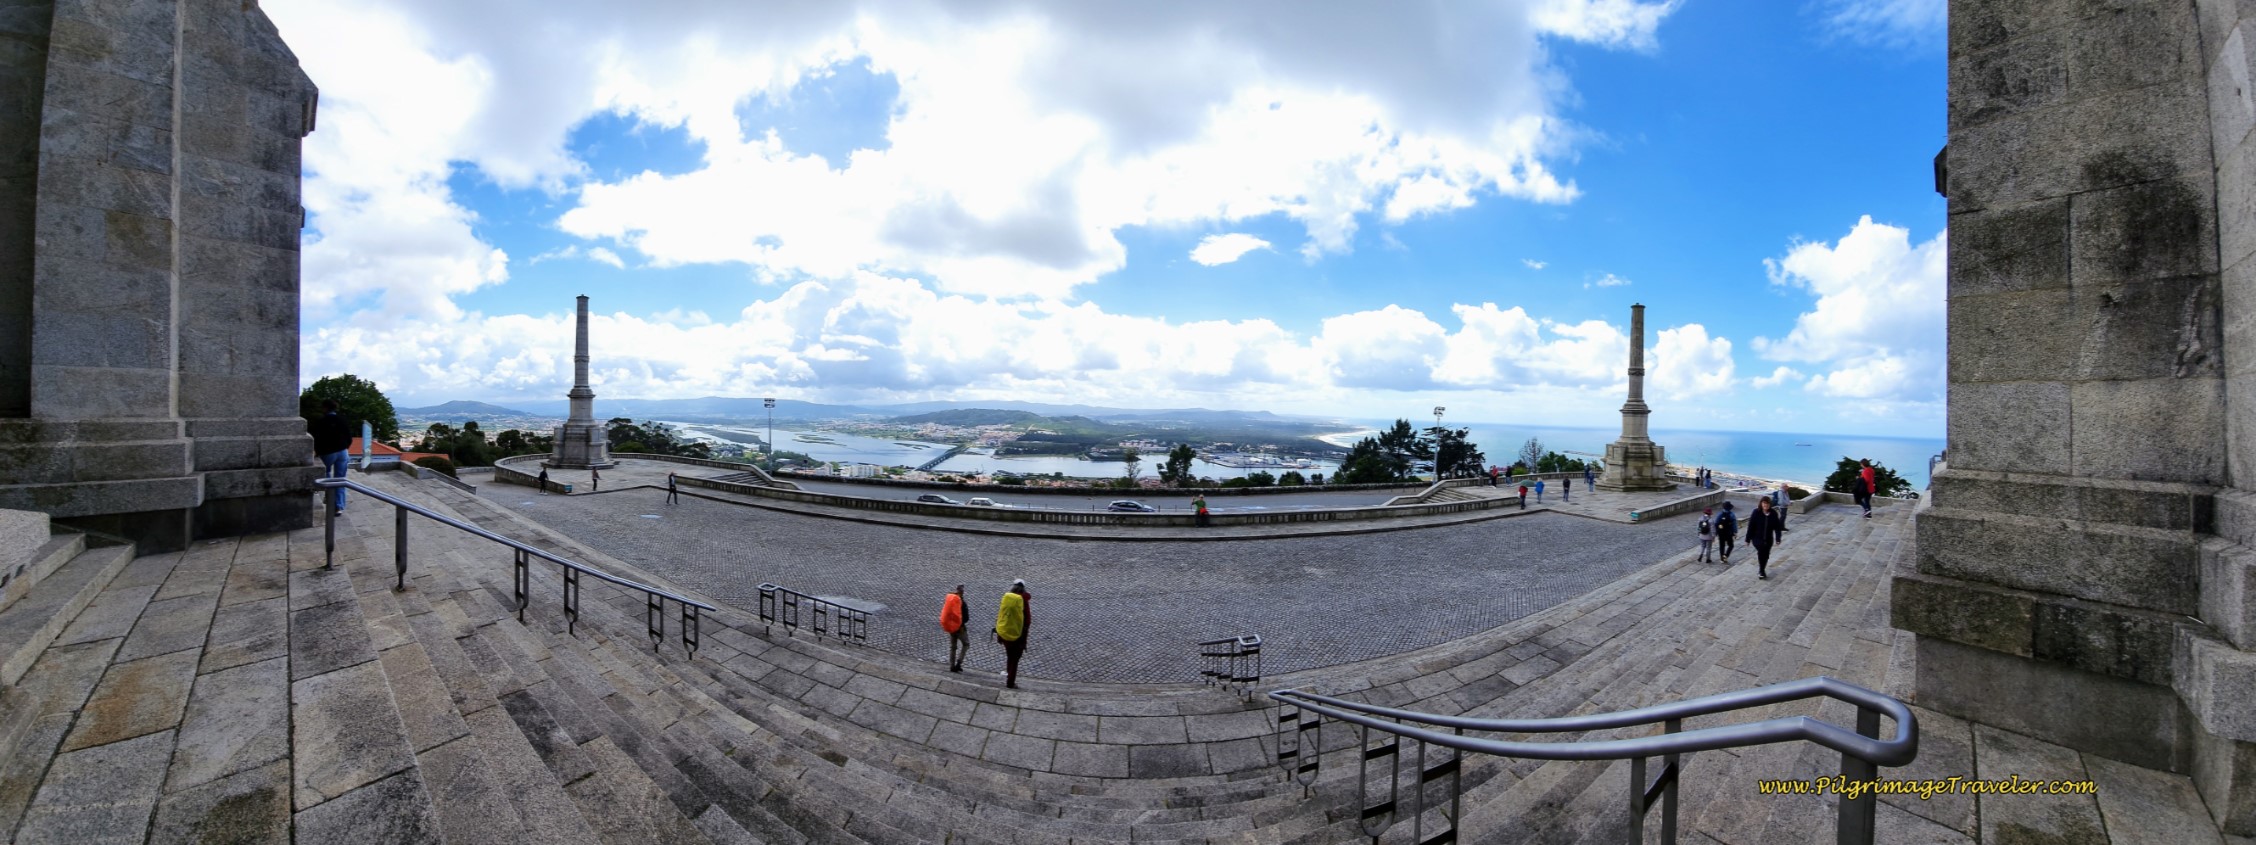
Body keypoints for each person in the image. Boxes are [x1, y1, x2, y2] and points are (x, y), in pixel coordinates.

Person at [308, 399, 353, 516]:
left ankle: (329, 498)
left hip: (328, 452)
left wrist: (317, 451)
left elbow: (316, 437)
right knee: (340, 479)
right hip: (343, 452)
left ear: (325, 408)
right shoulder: (342, 420)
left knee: (327, 475)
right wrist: (345, 446)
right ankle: (339, 507)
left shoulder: (322, 421)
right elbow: (349, 437)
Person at [994, 580, 1031, 689]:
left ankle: (1009, 676)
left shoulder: (1007, 598)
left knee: (1010, 656)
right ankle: (1010, 682)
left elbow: (1001, 615)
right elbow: (1028, 621)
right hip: (1018, 635)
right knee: (1015, 659)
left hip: (1005, 634)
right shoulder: (1023, 600)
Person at [1747, 497, 1786, 579]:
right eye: (1764, 503)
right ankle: (1761, 571)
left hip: (1768, 539)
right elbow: (1751, 526)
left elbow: (1777, 527)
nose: (1766, 505)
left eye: (1767, 503)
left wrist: (1778, 538)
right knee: (1761, 552)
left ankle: (1762, 569)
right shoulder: (1756, 512)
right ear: (1761, 503)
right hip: (1757, 538)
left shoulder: (1773, 514)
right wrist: (1748, 539)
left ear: (1770, 504)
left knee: (1766, 555)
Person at [940, 585, 970, 672]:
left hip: (951, 627)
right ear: (962, 592)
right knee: (966, 644)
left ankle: (952, 666)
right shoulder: (962, 603)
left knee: (953, 647)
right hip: (960, 628)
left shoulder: (950, 600)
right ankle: (959, 662)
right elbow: (966, 618)